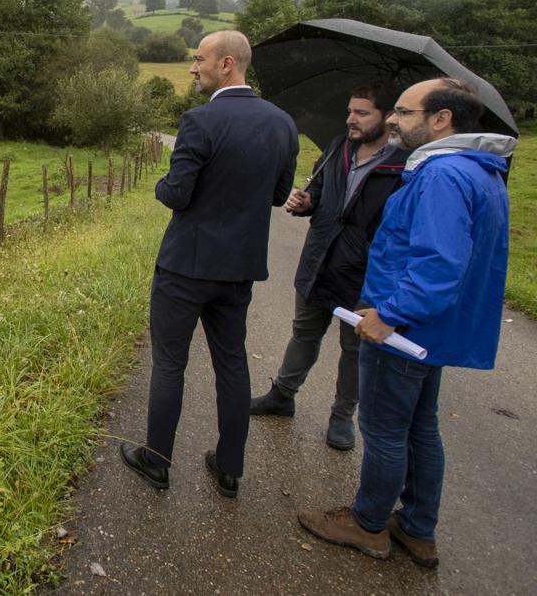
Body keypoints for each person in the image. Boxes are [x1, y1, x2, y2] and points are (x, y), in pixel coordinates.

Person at [298, 78, 514, 567]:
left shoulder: (442, 175)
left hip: (406, 329)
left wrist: (389, 315)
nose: (393, 120)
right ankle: (417, 527)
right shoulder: (478, 170)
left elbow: (438, 264)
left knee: (384, 429)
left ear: (441, 120)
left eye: (404, 111)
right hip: (434, 329)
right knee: (420, 427)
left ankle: (369, 524)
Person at [121, 30, 298, 498]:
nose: (193, 67)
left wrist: (161, 184)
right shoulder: (282, 123)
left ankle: (157, 460)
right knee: (233, 364)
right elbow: (279, 196)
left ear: (227, 65)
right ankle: (229, 467)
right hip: (239, 269)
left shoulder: (199, 122)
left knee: (170, 364)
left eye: (199, 59)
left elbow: (176, 193)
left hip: (186, 268)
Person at [250, 82, 408, 450]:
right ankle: (282, 395)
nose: (351, 119)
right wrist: (306, 203)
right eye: (350, 111)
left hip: (364, 271)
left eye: (362, 112)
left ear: (386, 116)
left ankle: (341, 416)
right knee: (304, 331)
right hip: (319, 258)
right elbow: (318, 194)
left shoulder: (403, 165)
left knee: (354, 347)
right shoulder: (338, 148)